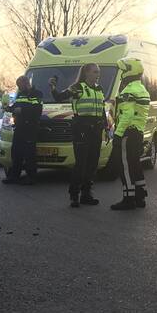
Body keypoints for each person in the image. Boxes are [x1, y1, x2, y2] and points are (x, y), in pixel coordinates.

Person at [50, 63, 107, 208]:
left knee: (92, 163)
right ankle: (74, 195)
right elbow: (59, 97)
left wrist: (105, 126)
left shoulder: (99, 88)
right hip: (81, 128)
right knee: (81, 163)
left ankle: (86, 194)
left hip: (96, 129)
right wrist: (52, 86)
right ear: (86, 73)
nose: (97, 75)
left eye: (98, 72)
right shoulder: (78, 87)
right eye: (95, 72)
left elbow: (101, 109)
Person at [110, 58, 151, 211]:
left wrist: (118, 135)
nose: (121, 73)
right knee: (135, 165)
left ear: (129, 71)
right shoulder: (142, 89)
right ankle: (140, 196)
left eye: (123, 70)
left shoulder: (128, 91)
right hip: (138, 133)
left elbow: (126, 115)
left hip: (127, 134)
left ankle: (128, 199)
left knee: (125, 167)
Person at [2, 75, 42, 185]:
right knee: (16, 152)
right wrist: (9, 108)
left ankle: (31, 177)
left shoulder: (36, 94)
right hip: (19, 127)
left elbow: (38, 109)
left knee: (30, 154)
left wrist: (22, 110)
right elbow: (16, 106)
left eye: (20, 85)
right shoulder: (20, 95)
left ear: (26, 83)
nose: (19, 87)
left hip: (30, 127)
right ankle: (14, 176)